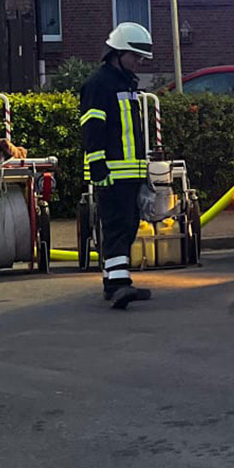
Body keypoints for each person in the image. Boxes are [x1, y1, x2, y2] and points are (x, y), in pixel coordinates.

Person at [80, 22, 155, 309]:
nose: (139, 62)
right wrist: (98, 165)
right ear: (116, 54)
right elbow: (93, 129)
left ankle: (113, 282)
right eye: (135, 56)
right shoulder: (99, 85)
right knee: (116, 227)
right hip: (111, 172)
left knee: (127, 226)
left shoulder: (124, 84)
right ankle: (120, 285)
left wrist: (143, 172)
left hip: (129, 172)